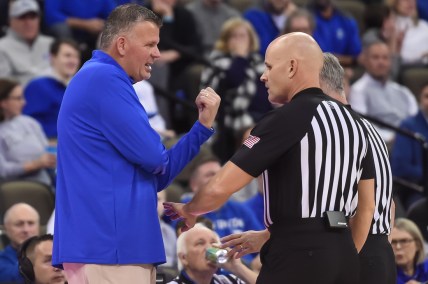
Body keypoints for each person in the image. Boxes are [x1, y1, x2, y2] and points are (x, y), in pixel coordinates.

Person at [164, 32, 376, 283]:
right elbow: (366, 209)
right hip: (345, 256)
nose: (263, 76)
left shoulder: (287, 118)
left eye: (269, 67)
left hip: (297, 257)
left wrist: (191, 209)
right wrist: (345, 252)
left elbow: (220, 187)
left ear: (292, 67)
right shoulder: (357, 124)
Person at [52, 4, 220, 283]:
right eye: (150, 44)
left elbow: (158, 175)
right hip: (110, 247)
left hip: (112, 246)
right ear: (121, 44)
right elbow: (156, 160)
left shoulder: (100, 78)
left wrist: (200, 129)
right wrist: (199, 131)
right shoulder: (104, 79)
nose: (157, 53)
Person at [221, 52, 396, 284]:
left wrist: (346, 257)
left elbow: (346, 212)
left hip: (351, 249)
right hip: (380, 253)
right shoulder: (367, 129)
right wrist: (269, 236)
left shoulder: (328, 129)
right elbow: (387, 204)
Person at [200, 17, 272, 163]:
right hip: (229, 122)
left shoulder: (260, 63)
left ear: (251, 40)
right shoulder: (217, 63)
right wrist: (240, 58)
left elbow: (266, 95)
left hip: (260, 118)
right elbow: (232, 82)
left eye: (243, 36)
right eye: (234, 36)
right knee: (251, 136)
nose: (239, 40)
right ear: (226, 41)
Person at [348, 40, 418, 145]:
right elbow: (362, 126)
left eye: (385, 58)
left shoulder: (403, 91)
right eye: (375, 57)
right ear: (365, 60)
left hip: (411, 141)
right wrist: (395, 138)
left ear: (390, 62)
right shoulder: (358, 90)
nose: (381, 62)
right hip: (382, 144)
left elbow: (417, 121)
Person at [0, 78, 56, 186]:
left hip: (45, 184)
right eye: (18, 98)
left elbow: (46, 149)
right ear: (3, 102)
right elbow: (2, 171)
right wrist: (34, 165)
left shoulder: (30, 122)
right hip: (14, 189)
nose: (24, 102)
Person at [23, 38, 81, 141]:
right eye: (67, 56)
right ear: (52, 57)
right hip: (49, 145)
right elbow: (28, 123)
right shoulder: (38, 86)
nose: (73, 61)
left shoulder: (78, 87)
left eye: (76, 57)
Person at [168, 223, 258, 284]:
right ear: (184, 258)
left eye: (213, 242)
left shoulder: (229, 281)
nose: (209, 248)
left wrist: (238, 268)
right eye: (200, 243)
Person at [391, 82, 428, 209]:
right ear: (420, 99)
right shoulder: (408, 126)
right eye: (427, 96)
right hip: (417, 190)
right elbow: (400, 167)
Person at [0, 0, 54, 85]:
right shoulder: (2, 47)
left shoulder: (51, 44)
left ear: (39, 19)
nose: (28, 22)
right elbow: (4, 86)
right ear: (10, 21)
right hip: (20, 96)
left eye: (33, 17)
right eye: (22, 17)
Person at [308, 0, 362, 67]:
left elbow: (356, 57)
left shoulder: (347, 20)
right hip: (314, 68)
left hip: (344, 69)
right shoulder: (304, 21)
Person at [0, 203, 40, 282]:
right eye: (19, 224)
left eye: (31, 223)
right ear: (6, 228)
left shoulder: (54, 254)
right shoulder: (2, 260)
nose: (26, 229)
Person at [391, 218, 428, 284]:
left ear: (418, 244)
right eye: (393, 242)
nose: (398, 247)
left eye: (404, 241)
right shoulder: (384, 275)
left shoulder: (425, 266)